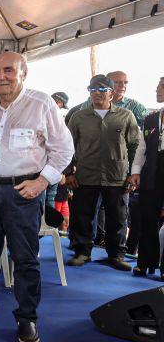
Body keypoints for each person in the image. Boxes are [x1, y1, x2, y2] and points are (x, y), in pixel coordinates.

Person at [0, 52, 73, 342]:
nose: (1, 76)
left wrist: (42, 181)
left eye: (9, 70)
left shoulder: (41, 103)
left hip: (22, 193)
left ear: (23, 74)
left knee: (25, 259)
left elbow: (64, 148)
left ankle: (27, 317)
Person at [65, 75, 139, 271]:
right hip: (86, 175)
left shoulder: (126, 116)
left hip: (117, 177)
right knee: (82, 215)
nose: (97, 93)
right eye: (92, 89)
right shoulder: (79, 117)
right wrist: (68, 173)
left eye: (102, 89)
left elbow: (134, 147)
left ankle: (116, 255)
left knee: (118, 217)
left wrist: (133, 173)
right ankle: (82, 252)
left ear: (112, 93)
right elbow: (67, 146)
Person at [128, 77, 164, 280]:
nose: (156, 90)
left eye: (160, 87)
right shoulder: (151, 119)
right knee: (147, 219)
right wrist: (135, 171)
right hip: (151, 171)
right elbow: (142, 148)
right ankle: (145, 262)